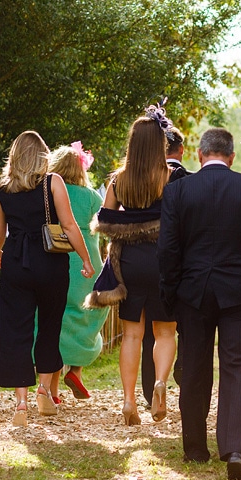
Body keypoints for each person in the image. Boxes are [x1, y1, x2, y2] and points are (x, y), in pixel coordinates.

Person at [158, 128, 241, 480]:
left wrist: (170, 295)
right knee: (238, 367)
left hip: (193, 292)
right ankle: (235, 448)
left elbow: (168, 251)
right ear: (232, 156)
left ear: (200, 154)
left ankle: (194, 447)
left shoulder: (177, 191)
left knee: (194, 367)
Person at [0, 131, 94, 427]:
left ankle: (20, 404)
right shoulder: (53, 182)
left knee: (16, 330)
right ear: (42, 156)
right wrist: (85, 260)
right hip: (50, 263)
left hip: (16, 264)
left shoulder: (2, 191)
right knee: (50, 325)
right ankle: (44, 391)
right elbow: (70, 225)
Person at [94, 111, 176, 426]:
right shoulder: (170, 176)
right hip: (162, 260)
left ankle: (129, 401)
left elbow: (104, 221)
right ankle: (158, 384)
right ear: (159, 143)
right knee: (165, 331)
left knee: (131, 334)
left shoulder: (119, 179)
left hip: (129, 261)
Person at [46, 142, 106, 401]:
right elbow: (103, 225)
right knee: (88, 315)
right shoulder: (92, 196)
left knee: (55, 318)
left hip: (57, 260)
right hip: (87, 263)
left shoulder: (49, 194)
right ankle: (77, 371)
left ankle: (53, 388)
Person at [139, 125, 191, 410]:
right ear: (181, 150)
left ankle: (150, 391)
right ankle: (183, 366)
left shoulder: (143, 180)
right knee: (183, 323)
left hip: (148, 257)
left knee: (151, 331)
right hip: (184, 261)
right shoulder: (189, 180)